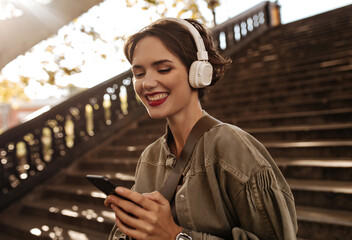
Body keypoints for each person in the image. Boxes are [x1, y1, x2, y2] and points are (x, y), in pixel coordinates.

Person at [104, 17, 298, 240]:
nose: (146, 83)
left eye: (164, 69)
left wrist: (175, 236)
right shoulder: (150, 156)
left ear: (198, 72)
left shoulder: (232, 147)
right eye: (139, 74)